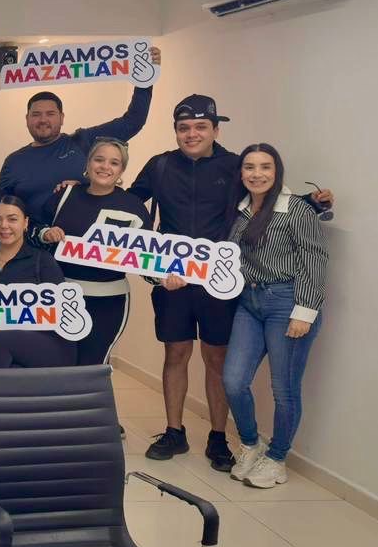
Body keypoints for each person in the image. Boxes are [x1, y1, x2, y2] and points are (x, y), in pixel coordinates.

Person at [129, 95, 333, 470]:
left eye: (201, 127)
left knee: (216, 359)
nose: (192, 134)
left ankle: (218, 437)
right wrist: (80, 189)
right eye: (184, 128)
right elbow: (125, 205)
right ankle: (174, 432)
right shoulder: (159, 165)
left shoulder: (234, 165)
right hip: (172, 279)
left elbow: (265, 196)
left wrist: (312, 203)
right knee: (175, 354)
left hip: (220, 282)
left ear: (215, 130)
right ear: (176, 131)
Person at [223, 145, 329, 489]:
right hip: (248, 302)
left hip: (287, 303)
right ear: (241, 173)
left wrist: (305, 312)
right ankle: (251, 444)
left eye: (265, 167)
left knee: (284, 389)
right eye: (249, 167)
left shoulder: (296, 209)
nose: (257, 174)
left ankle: (277, 458)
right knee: (233, 381)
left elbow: (314, 260)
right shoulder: (240, 210)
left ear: (277, 170)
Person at [0, 49, 160, 222]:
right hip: (33, 237)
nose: (43, 120)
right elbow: (0, 211)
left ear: (62, 118)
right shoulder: (13, 162)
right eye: (36, 114)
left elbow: (133, 121)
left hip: (81, 237)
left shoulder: (84, 141)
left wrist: (145, 77)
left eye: (50, 114)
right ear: (27, 119)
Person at [37, 138, 152, 368]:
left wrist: (163, 278)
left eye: (114, 163)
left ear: (121, 170)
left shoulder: (133, 206)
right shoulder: (65, 194)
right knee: (57, 364)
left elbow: (147, 257)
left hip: (108, 303)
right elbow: (33, 227)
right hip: (62, 295)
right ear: (88, 164)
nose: (105, 167)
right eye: (99, 160)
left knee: (92, 368)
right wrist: (45, 233)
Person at [0, 196, 76, 370]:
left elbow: (61, 312)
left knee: (1, 341)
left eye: (12, 219)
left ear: (25, 223)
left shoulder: (43, 261)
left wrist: (10, 333)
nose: (4, 226)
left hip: (49, 343)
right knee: (9, 365)